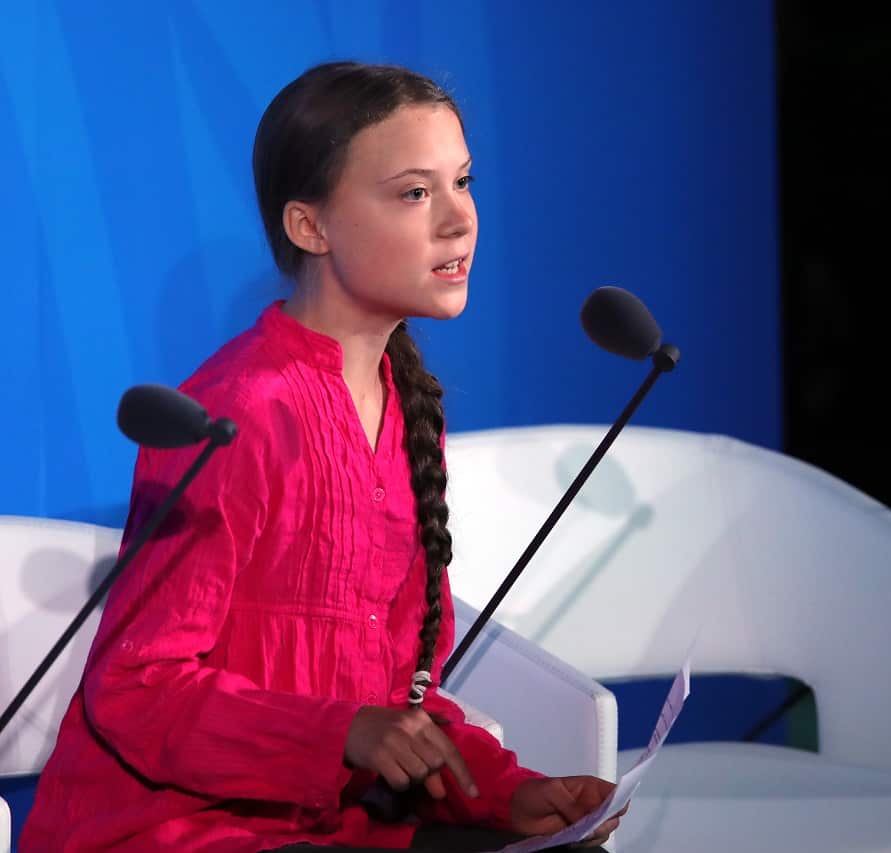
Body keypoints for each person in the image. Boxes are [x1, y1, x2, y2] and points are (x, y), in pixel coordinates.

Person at [21, 61, 625, 852]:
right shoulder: (240, 410)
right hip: (172, 833)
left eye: (463, 182)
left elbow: (401, 703)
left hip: (329, 826)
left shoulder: (409, 410)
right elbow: (137, 691)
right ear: (311, 227)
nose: (459, 220)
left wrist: (508, 794)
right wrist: (343, 731)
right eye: (415, 193)